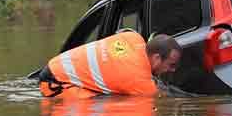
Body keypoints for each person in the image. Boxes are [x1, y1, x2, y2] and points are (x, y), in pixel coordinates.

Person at [38, 32, 181, 99]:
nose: (173, 70)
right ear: (156, 58)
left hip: (56, 65)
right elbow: (163, 100)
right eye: (171, 65)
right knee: (105, 105)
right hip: (55, 84)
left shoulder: (133, 37)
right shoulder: (138, 79)